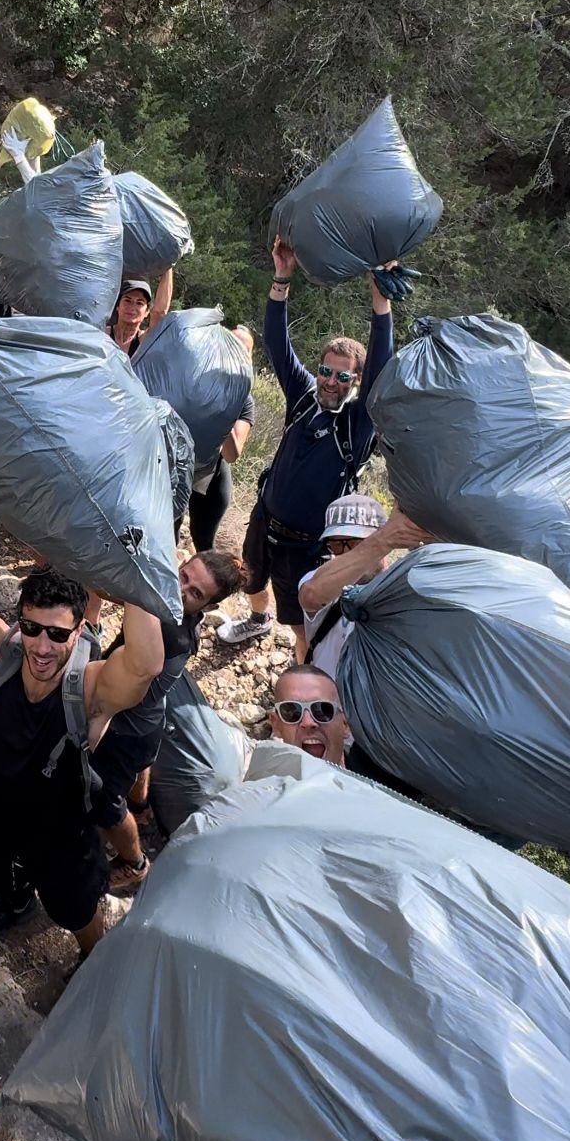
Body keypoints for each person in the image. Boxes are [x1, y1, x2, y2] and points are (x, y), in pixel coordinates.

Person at [0, 483, 165, 960]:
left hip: (59, 833)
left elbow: (144, 664)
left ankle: (91, 961)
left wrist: (135, 569)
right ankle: (16, 904)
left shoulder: (91, 688)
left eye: (59, 633)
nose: (42, 647)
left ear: (79, 630)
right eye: (32, 628)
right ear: (20, 621)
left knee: (76, 908)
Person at [216, 237, 394, 658]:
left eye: (343, 377)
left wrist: (381, 304)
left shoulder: (357, 422)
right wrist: (282, 277)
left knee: (301, 624)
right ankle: (257, 621)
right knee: (251, 579)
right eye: (325, 371)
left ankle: (305, 685)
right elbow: (276, 344)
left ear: (356, 384)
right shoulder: (302, 397)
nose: (331, 381)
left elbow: (382, 364)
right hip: (264, 519)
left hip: (308, 547)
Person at [93, 550, 245, 889]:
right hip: (149, 725)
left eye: (195, 593)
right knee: (137, 771)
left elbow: (115, 591)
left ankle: (135, 863)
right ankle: (141, 805)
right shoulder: (181, 620)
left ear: (208, 607)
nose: (181, 590)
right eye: (184, 576)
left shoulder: (170, 631)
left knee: (105, 805)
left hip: (125, 728)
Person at [296, 497, 433, 679]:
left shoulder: (404, 585)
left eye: (356, 543)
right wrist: (384, 539)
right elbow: (312, 596)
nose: (346, 554)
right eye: (336, 545)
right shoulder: (317, 579)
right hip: (327, 702)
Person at [188, 325, 256, 551]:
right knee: (165, 532)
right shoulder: (195, 380)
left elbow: (232, 453)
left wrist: (222, 410)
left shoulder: (245, 401)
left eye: (242, 350)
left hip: (211, 480)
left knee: (203, 543)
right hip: (179, 469)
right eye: (231, 346)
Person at [268, 665, 350, 766]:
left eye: (322, 709)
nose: (308, 722)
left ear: (345, 724)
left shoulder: (373, 777)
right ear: (276, 725)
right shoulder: (263, 780)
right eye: (293, 711)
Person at [106, 279, 153, 355]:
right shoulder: (102, 335)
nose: (132, 307)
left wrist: (168, 268)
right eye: (127, 301)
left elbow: (160, 312)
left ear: (147, 312)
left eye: (139, 303)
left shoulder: (145, 341)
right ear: (117, 306)